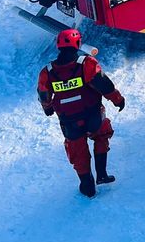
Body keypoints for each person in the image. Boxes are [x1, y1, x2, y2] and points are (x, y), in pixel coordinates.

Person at [37, 28, 125, 198]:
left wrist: (47, 108)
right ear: (77, 43)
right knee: (102, 135)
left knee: (77, 151)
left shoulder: (47, 72)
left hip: (69, 121)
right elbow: (104, 85)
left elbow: (43, 94)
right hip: (92, 114)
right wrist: (118, 99)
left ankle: (87, 186)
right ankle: (102, 174)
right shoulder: (86, 63)